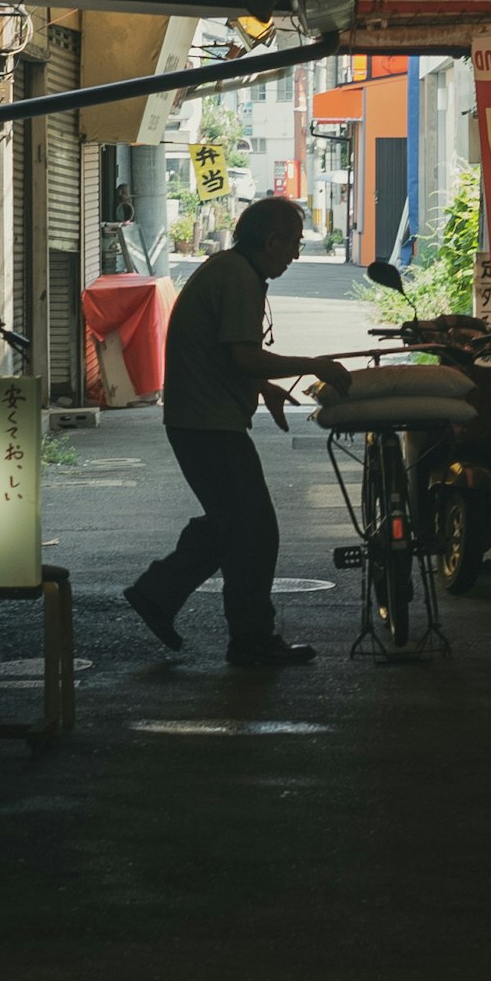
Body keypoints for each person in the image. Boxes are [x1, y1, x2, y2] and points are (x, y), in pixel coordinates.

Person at [124, 195, 351, 667]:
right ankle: (247, 636)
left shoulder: (233, 270)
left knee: (234, 523)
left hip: (202, 419)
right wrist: (313, 364)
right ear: (271, 241)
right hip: (207, 424)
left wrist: (262, 386)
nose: (295, 253)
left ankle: (161, 593)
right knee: (254, 529)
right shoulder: (239, 278)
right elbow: (242, 355)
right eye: (293, 243)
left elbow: (228, 354)